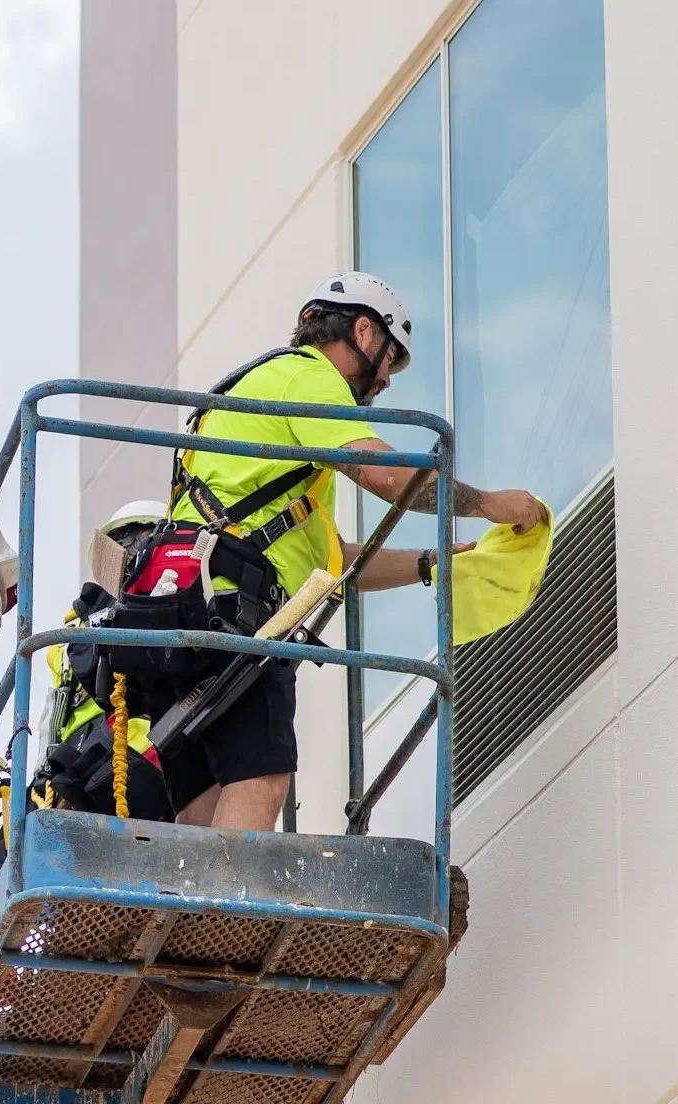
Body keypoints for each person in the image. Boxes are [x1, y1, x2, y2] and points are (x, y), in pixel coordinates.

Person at [145, 272, 546, 834]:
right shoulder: (308, 377)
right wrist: (486, 502)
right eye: (389, 359)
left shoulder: (262, 407)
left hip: (178, 601)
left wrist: (433, 562)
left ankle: (192, 914)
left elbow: (336, 562)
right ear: (363, 330)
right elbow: (390, 477)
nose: (385, 379)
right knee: (260, 778)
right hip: (233, 605)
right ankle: (227, 919)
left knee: (205, 799)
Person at [30, 501, 172, 822]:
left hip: (135, 758)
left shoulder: (160, 605)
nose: (127, 552)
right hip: (89, 765)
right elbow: (52, 716)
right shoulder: (77, 629)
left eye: (134, 541)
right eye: (121, 543)